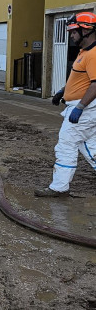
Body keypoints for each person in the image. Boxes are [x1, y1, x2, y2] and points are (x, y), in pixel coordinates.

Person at [35, 12, 96, 197]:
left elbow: (95, 84)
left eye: (73, 31)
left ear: (85, 30)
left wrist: (80, 107)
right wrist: (63, 91)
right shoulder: (84, 52)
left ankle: (59, 187)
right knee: (89, 145)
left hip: (85, 109)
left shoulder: (93, 54)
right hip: (82, 107)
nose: (71, 35)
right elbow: (82, 79)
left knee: (66, 145)